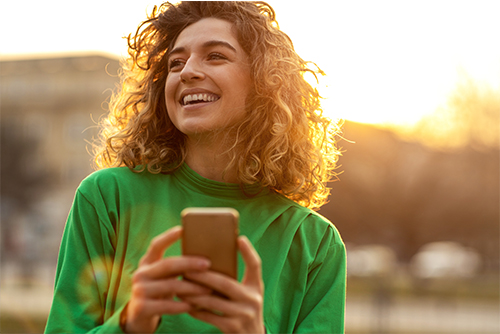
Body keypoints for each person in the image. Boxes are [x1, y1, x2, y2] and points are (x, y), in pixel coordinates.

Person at [45, 1, 346, 333]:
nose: (187, 71)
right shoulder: (105, 196)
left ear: (264, 82)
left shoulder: (315, 242)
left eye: (215, 56)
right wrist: (131, 323)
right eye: (176, 62)